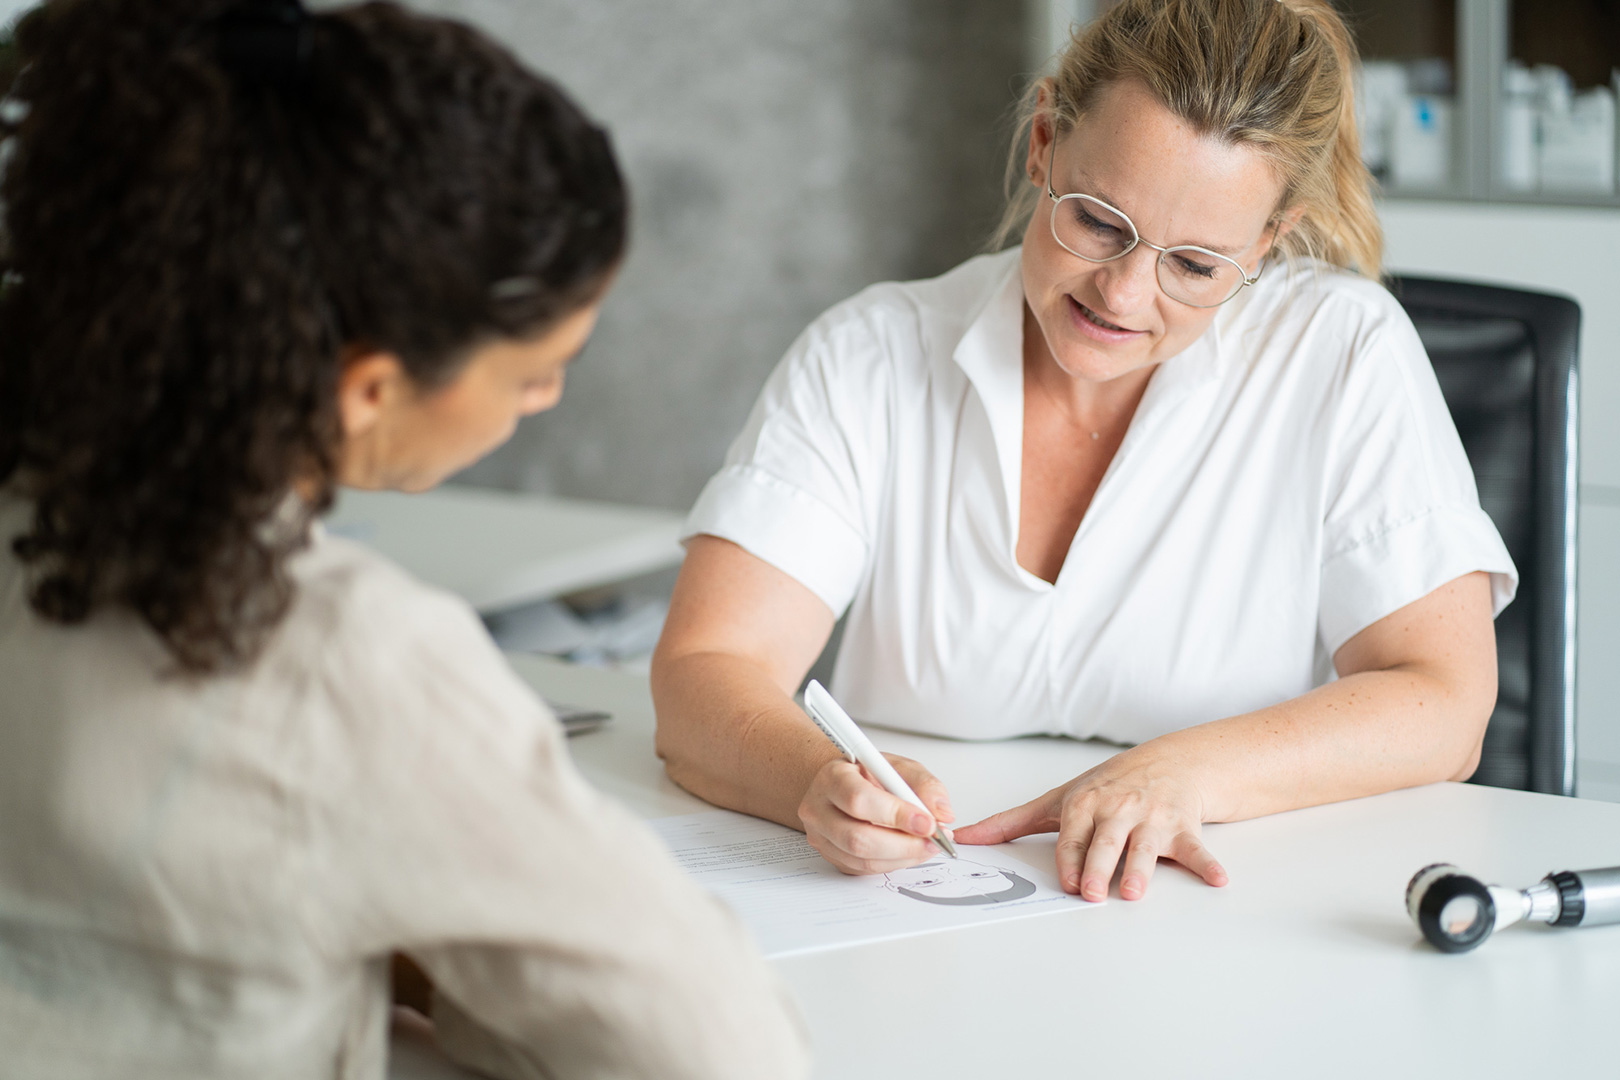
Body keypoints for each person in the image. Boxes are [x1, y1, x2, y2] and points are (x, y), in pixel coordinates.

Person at [0, 2, 809, 1077]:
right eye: (531, 372)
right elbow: (716, 1050)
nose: (551, 395)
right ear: (369, 387)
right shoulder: (342, 659)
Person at [652, 0, 1515, 907]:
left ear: (1266, 240)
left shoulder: (1342, 350)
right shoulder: (867, 354)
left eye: (1195, 265)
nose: (1124, 293)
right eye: (1101, 221)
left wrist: (1180, 773)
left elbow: (1445, 704)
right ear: (1043, 144)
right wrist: (810, 781)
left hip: (1223, 928)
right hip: (915, 915)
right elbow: (704, 672)